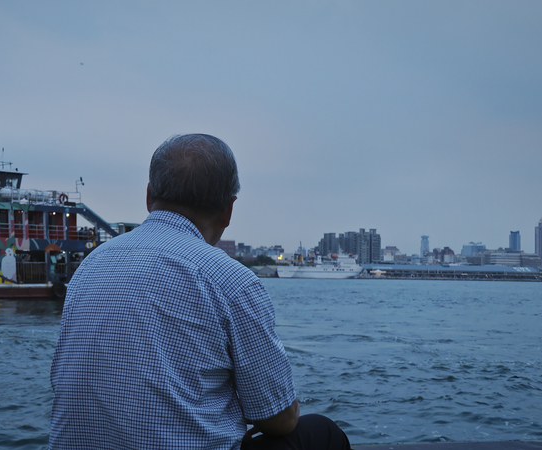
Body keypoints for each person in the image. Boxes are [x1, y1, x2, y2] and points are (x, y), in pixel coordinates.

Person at [50, 134, 350, 450]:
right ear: (228, 211)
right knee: (321, 431)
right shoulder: (231, 281)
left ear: (149, 195)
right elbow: (279, 419)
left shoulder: (90, 265)